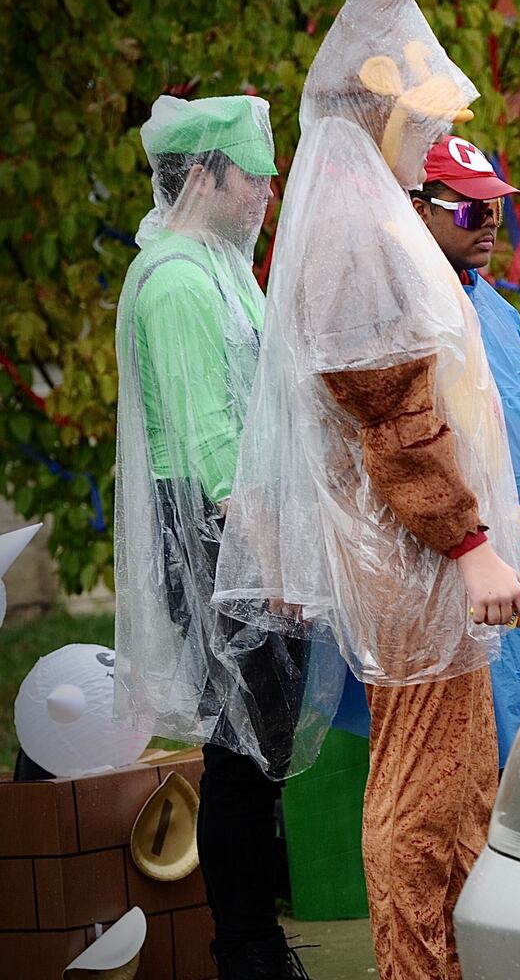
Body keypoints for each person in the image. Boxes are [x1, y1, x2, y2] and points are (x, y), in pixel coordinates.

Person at [211, 0, 520, 976]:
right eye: (423, 117)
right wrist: (469, 543)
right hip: (412, 550)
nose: (429, 136)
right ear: (377, 108)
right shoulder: (354, 229)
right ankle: (417, 966)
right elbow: (392, 411)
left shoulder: (365, 213)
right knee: (424, 789)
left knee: (459, 780)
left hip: (425, 544)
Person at [113, 95, 337, 979]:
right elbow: (211, 446)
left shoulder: (214, 265)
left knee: (257, 748)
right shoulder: (174, 281)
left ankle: (253, 935)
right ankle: (245, 947)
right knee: (239, 752)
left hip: (241, 532)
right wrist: (269, 556)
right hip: (217, 539)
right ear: (204, 174)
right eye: (254, 175)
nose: (268, 192)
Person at [410, 136, 520, 768]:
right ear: (420, 209)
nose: (491, 228)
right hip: (466, 573)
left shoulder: (498, 309)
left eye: (496, 212)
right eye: (473, 211)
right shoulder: (409, 310)